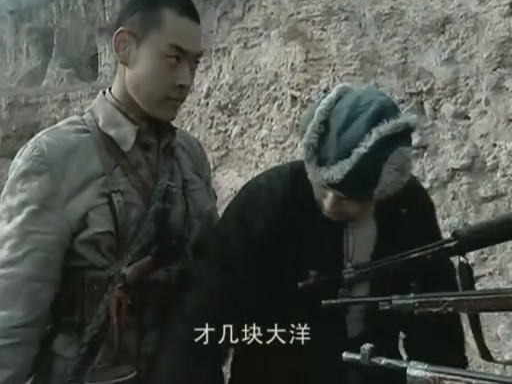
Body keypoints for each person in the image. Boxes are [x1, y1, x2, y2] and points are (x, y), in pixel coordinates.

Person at [146, 83, 468, 384]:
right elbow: (203, 316)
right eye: (322, 187)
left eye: (347, 198)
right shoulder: (267, 202)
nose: (330, 204)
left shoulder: (407, 208)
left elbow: (434, 315)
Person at [0, 0, 218, 384]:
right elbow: (12, 326)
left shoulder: (189, 157)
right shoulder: (54, 160)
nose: (186, 79)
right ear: (124, 48)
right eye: (173, 58)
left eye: (194, 64)